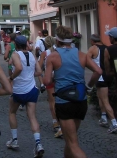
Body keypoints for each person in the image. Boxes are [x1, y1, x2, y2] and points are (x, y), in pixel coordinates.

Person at [43, 26, 102, 158]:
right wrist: (89, 86)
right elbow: (98, 71)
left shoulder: (53, 57)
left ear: (57, 41)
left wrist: (54, 76)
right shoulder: (82, 55)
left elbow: (47, 81)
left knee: (72, 143)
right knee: (70, 140)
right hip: (80, 100)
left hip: (64, 101)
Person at [7, 35, 44, 158]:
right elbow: (39, 72)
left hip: (18, 90)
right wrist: (29, 75)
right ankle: (38, 143)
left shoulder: (15, 55)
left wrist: (11, 78)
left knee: (12, 113)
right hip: (31, 90)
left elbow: (18, 67)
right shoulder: (32, 55)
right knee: (32, 117)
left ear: (16, 44)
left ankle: (15, 140)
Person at [87, 34, 117, 132]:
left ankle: (114, 123)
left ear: (93, 41)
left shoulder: (93, 49)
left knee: (105, 100)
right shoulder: (107, 48)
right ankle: (103, 117)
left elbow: (86, 60)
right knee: (100, 96)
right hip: (108, 76)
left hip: (100, 76)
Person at [38, 36, 62, 138]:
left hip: (49, 78)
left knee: (52, 101)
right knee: (61, 99)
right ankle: (63, 121)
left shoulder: (45, 53)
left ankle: (55, 122)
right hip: (60, 77)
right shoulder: (59, 52)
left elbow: (39, 67)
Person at [35, 29, 48, 93]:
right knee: (47, 71)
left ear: (42, 34)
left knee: (39, 70)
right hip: (49, 57)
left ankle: (42, 84)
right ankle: (47, 82)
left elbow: (37, 48)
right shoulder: (50, 39)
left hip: (42, 57)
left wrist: (36, 53)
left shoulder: (39, 41)